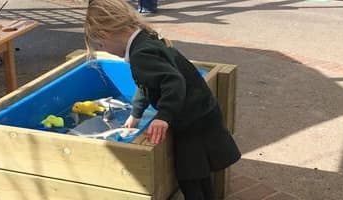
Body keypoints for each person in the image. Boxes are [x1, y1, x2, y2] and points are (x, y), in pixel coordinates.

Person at [84, 0, 241, 199]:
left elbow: (174, 82)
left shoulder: (141, 55)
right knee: (200, 173)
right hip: (201, 112)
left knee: (189, 178)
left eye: (101, 44)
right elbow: (148, 84)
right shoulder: (145, 38)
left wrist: (163, 116)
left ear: (106, 33)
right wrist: (136, 113)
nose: (104, 49)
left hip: (192, 120)